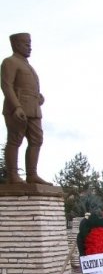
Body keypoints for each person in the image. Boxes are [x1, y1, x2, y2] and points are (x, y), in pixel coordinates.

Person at [2, 33, 50, 185]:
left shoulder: (28, 66)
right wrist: (16, 106)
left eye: (30, 44)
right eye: (25, 44)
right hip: (18, 110)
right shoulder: (10, 62)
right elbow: (6, 85)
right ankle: (13, 176)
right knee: (15, 140)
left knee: (37, 140)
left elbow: (27, 87)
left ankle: (32, 174)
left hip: (34, 110)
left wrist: (38, 97)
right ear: (16, 44)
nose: (29, 47)